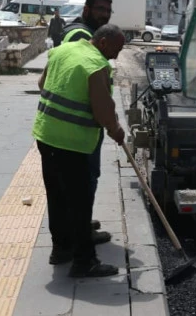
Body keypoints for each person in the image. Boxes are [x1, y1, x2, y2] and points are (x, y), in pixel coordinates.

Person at [33, 24, 128, 277]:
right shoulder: (96, 65)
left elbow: (42, 83)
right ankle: (84, 262)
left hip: (46, 136)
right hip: (72, 144)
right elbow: (103, 109)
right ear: (104, 43)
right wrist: (116, 130)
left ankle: (61, 249)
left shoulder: (63, 51)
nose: (117, 56)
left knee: (57, 198)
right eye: (117, 49)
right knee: (79, 203)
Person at [60, 0, 114, 233]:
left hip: (76, 123)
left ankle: (78, 223)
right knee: (84, 180)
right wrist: (111, 124)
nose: (104, 15)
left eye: (107, 11)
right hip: (78, 126)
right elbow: (87, 80)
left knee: (79, 181)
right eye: (100, 9)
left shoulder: (84, 33)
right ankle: (80, 231)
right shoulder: (80, 36)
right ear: (86, 10)